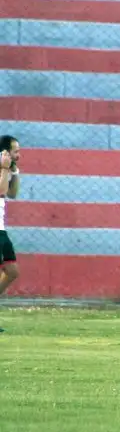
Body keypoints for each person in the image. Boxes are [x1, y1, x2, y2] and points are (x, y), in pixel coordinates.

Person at [0, 136, 21, 333]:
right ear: (5, 152)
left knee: (12, 272)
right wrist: (5, 169)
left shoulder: (6, 168)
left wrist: (14, 172)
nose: (19, 155)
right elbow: (0, 191)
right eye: (15, 151)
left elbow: (12, 193)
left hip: (1, 229)